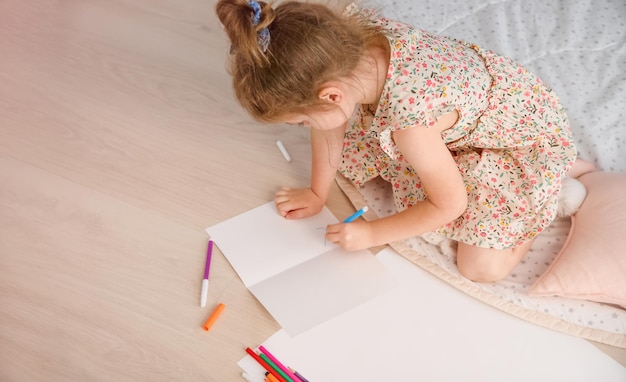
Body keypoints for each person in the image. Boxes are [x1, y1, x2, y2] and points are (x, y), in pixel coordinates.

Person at [215, 0, 578, 282]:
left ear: (331, 96)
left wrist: (370, 234)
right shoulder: (349, 50)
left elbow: (449, 205)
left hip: (518, 138)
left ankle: (547, 200)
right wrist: (316, 193)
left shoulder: (411, 127)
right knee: (373, 153)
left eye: (301, 120)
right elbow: (328, 126)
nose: (304, 126)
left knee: (480, 268)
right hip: (478, 106)